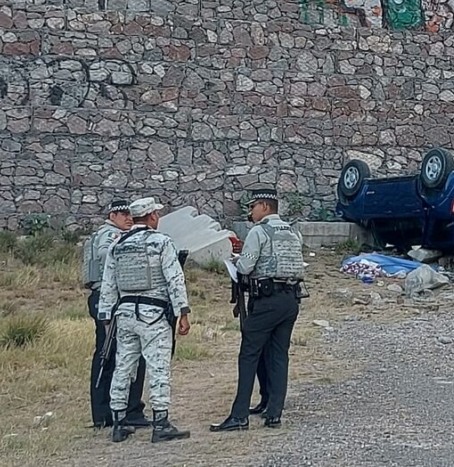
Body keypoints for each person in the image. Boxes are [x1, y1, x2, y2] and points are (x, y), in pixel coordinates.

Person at [210, 188, 306, 432]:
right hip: (291, 298)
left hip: (266, 299)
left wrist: (235, 261)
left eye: (253, 206)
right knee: (279, 355)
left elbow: (245, 266)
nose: (250, 211)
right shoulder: (293, 231)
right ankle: (274, 412)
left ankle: (239, 414)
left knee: (249, 354)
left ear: (264, 206)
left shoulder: (259, 231)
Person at [98, 197, 192, 443]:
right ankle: (160, 422)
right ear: (152, 216)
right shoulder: (161, 242)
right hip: (154, 314)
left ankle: (118, 422)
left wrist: (106, 318)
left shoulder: (118, 244)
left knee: (123, 367)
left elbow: (108, 284)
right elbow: (174, 279)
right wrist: (183, 311)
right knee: (159, 368)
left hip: (125, 314)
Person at [83, 200, 149, 430]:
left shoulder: (108, 233)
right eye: (123, 214)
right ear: (112, 214)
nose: (128, 218)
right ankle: (119, 411)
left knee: (112, 355)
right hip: (108, 298)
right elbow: (105, 254)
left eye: (130, 214)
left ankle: (111, 412)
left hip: (108, 298)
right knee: (113, 356)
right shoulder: (110, 235)